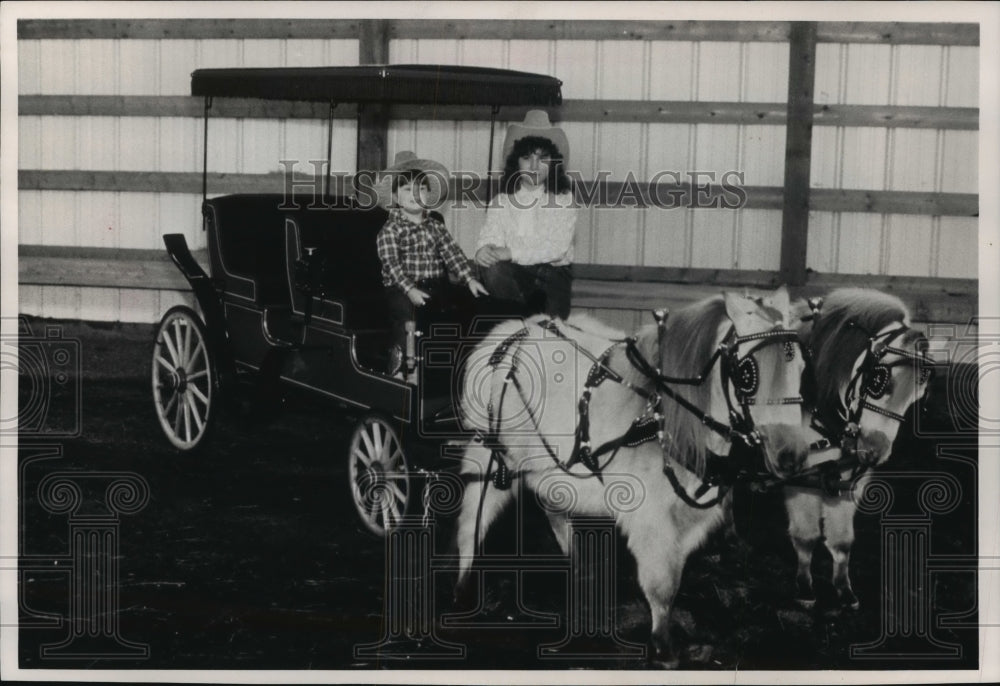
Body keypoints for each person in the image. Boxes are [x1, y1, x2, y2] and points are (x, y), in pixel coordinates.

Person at [375, 151, 488, 375]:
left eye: (421, 188)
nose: (415, 193)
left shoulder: (435, 226)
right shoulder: (391, 229)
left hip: (435, 285)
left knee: (468, 304)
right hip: (401, 288)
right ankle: (401, 367)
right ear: (396, 198)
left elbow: (452, 253)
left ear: (429, 195)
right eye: (407, 189)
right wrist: (410, 290)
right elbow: (392, 266)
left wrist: (469, 279)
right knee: (407, 315)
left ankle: (459, 365)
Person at [475, 110, 577, 319]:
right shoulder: (501, 202)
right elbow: (491, 238)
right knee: (491, 268)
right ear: (515, 162)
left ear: (553, 163)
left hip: (552, 277)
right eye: (526, 158)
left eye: (542, 158)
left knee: (551, 334)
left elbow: (556, 249)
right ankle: (520, 320)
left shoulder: (563, 200)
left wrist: (511, 252)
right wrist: (484, 250)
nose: (533, 166)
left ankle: (524, 321)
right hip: (514, 279)